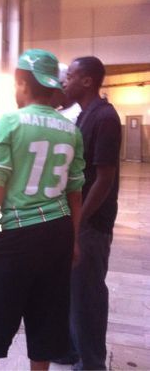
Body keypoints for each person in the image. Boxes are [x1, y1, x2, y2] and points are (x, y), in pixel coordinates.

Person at [0, 49, 85, 370]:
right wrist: (73, 241)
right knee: (46, 319)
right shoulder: (71, 130)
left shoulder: (10, 122)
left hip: (20, 235)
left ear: (21, 82)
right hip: (59, 231)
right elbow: (76, 194)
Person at [61, 56, 122, 370]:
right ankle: (73, 349)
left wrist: (79, 219)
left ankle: (92, 363)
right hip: (79, 218)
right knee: (74, 290)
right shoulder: (83, 115)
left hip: (92, 223)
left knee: (88, 295)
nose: (64, 82)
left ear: (87, 81)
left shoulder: (104, 117)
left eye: (69, 76)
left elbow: (105, 178)